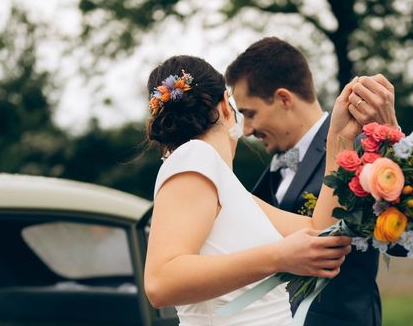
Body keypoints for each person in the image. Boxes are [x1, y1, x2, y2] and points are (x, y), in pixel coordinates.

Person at [143, 54, 375, 326]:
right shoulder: (195, 157)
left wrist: (339, 139)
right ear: (225, 107)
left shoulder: (226, 184)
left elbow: (321, 232)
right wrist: (278, 257)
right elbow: (161, 281)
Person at [225, 37, 400, 326]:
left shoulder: (358, 148)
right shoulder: (276, 165)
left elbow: (401, 244)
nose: (246, 130)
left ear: (283, 99)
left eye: (249, 113)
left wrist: (392, 139)